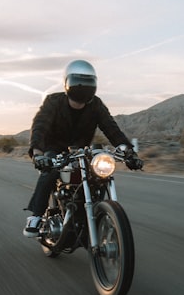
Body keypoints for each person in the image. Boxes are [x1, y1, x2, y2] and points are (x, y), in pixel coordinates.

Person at [24, 59, 142, 237]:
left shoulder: (96, 105)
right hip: (54, 149)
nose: (83, 87)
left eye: (87, 82)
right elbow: (40, 125)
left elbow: (111, 128)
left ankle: (96, 213)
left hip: (81, 151)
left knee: (99, 176)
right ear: (67, 83)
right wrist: (38, 154)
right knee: (50, 172)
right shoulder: (53, 102)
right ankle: (36, 216)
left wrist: (128, 152)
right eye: (79, 82)